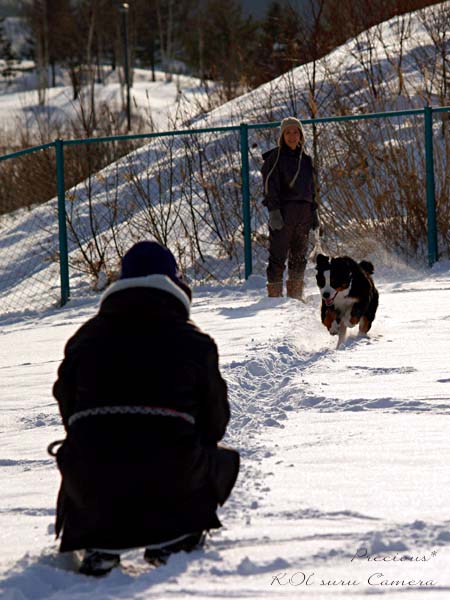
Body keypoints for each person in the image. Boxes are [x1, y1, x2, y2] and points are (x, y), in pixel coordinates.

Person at [49, 241, 240, 576]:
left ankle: (101, 540)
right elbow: (215, 425)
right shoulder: (194, 342)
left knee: (86, 449)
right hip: (173, 477)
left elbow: (69, 412)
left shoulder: (84, 338)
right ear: (176, 285)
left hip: (93, 485)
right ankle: (175, 535)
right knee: (219, 457)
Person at [261, 116, 320, 299]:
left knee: (299, 258)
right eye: (288, 132)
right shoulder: (275, 158)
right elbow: (270, 187)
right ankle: (274, 298)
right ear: (282, 135)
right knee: (278, 257)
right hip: (284, 214)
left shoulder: (307, 160)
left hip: (303, 214)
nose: (292, 136)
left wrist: (314, 212)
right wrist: (274, 211)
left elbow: (313, 189)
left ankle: (295, 297)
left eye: (295, 132)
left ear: (301, 135)